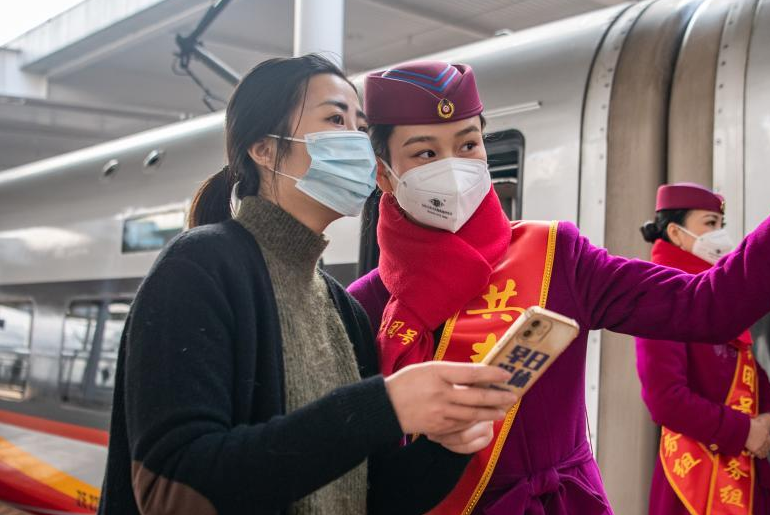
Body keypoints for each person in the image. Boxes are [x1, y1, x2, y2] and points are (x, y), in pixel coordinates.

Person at [348, 60, 770, 514]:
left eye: (468, 145)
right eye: (424, 153)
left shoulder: (556, 256)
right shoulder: (364, 308)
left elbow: (706, 305)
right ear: (385, 174)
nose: (454, 167)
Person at [98, 55, 518, 515]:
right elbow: (175, 491)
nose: (359, 143)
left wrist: (446, 446)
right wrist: (381, 406)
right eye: (336, 120)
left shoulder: (344, 310)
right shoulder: (198, 268)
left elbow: (370, 497)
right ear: (263, 149)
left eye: (361, 127)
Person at [636, 183, 770, 515]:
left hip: (744, 471)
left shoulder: (717, 294)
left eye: (721, 224)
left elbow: (755, 377)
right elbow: (666, 399)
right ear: (676, 233)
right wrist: (744, 431)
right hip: (694, 483)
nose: (720, 234)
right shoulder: (659, 295)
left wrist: (769, 419)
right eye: (710, 223)